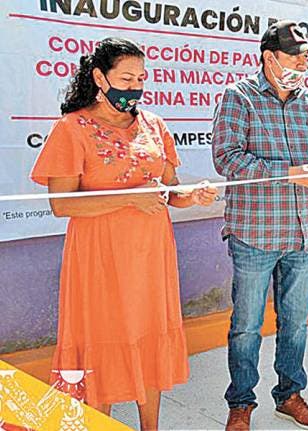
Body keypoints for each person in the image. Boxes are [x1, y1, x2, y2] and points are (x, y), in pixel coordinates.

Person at [29, 37, 217, 430]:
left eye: (141, 79)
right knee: (101, 348)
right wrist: (130, 198)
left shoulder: (154, 125)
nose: (135, 87)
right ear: (100, 77)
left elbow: (170, 191)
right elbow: (62, 205)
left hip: (151, 258)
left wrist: (193, 196)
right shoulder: (71, 128)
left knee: (149, 343)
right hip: (99, 260)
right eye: (126, 78)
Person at [211, 21, 308, 430]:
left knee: (296, 325)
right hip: (254, 232)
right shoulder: (239, 97)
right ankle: (241, 402)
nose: (304, 63)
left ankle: (289, 395)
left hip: (302, 233)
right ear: (269, 57)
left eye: (307, 57)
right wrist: (288, 173)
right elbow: (227, 159)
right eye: (296, 56)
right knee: (247, 327)